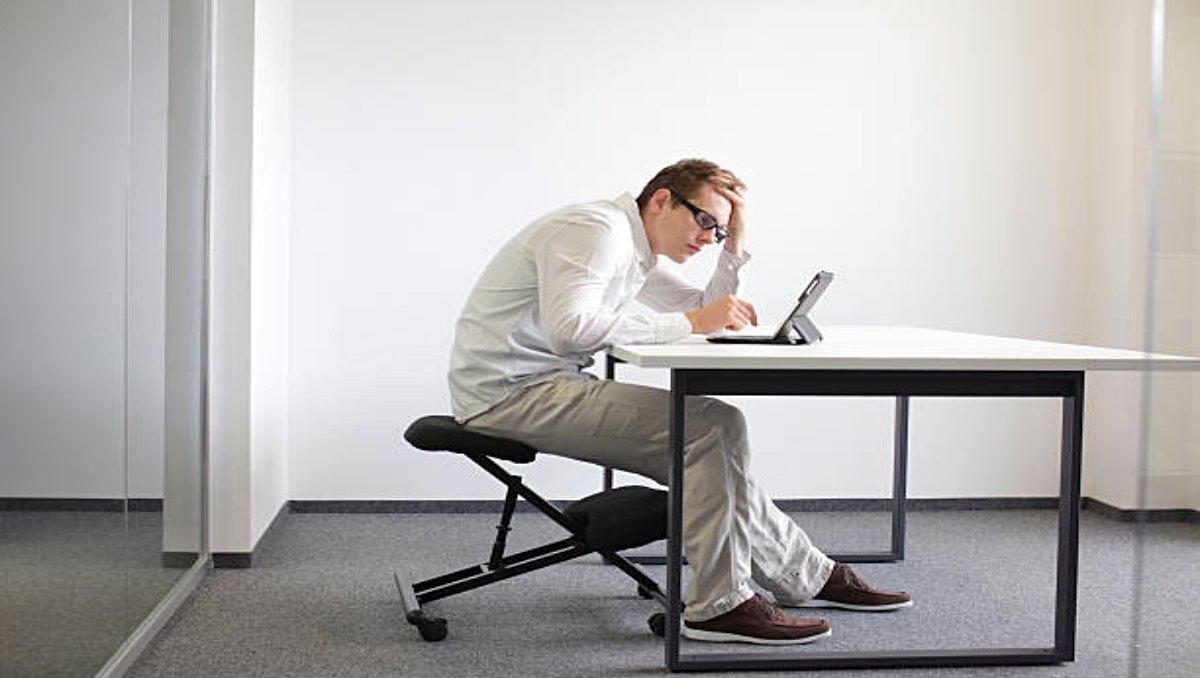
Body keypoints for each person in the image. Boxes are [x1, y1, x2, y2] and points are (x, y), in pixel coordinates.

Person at [448, 158, 911, 645]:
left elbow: (700, 306)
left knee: (714, 443)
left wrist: (733, 248)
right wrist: (696, 322)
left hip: (540, 383)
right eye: (706, 221)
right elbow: (572, 331)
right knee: (711, 428)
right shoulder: (596, 231)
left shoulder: (631, 245)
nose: (707, 236)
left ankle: (805, 574)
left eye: (717, 230)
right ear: (663, 200)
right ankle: (720, 605)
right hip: (510, 393)